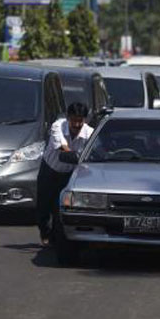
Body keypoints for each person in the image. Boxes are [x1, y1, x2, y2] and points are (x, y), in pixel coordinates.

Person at [37, 102, 93, 246]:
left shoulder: (90, 133)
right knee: (43, 207)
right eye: (73, 120)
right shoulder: (58, 126)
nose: (76, 124)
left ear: (85, 120)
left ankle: (55, 238)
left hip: (68, 175)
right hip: (49, 170)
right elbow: (63, 148)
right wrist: (77, 157)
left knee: (59, 208)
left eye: (80, 121)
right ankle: (44, 232)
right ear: (68, 118)